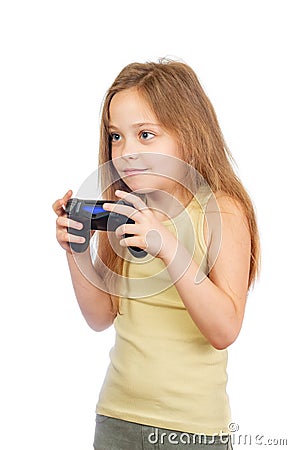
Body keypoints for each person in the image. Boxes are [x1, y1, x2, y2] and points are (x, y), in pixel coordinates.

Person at [52, 59, 260, 449]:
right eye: (116, 136)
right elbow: (101, 317)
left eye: (146, 134)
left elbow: (224, 330)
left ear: (190, 134)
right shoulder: (126, 210)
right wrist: (75, 249)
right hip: (117, 418)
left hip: (194, 430)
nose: (126, 151)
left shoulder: (222, 211)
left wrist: (167, 246)